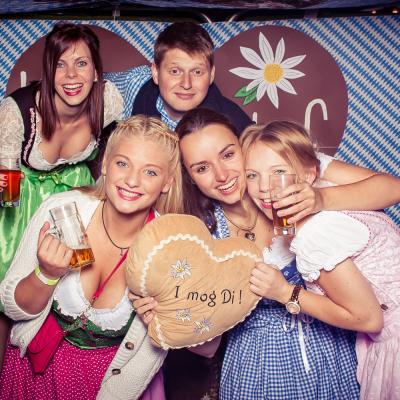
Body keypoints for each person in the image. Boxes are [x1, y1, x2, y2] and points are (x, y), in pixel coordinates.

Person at [158, 107, 399, 399]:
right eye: (202, 168)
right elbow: (208, 344)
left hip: (332, 351)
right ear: (190, 177)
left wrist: (321, 198)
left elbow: (393, 188)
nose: (221, 175)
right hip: (257, 365)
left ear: (242, 145)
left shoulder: (287, 171)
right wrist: (167, 313)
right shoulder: (203, 236)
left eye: (228, 155)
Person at [0, 116, 185, 399]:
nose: (132, 180)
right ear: (107, 164)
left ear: (167, 182)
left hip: (104, 386)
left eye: (150, 172)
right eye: (123, 163)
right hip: (31, 374)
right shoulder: (62, 209)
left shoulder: (170, 251)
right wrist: (46, 274)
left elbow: (149, 355)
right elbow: (12, 308)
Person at [241, 120, 400, 400]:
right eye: (252, 175)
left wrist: (284, 292)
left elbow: (368, 318)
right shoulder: (330, 202)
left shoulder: (315, 232)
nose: (265, 187)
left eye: (278, 172)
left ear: (309, 174)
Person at [0, 22, 123, 363]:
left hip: (74, 195)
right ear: (48, 70)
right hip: (21, 201)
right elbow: (5, 183)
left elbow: (107, 157)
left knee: (74, 287)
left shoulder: (109, 101)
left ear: (96, 70)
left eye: (81, 63)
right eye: (60, 64)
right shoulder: (17, 111)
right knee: (15, 289)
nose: (71, 75)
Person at [105, 22, 252, 134]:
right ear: (155, 73)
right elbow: (93, 83)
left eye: (197, 72)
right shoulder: (135, 82)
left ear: (211, 75)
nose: (186, 84)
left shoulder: (232, 122)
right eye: (175, 71)